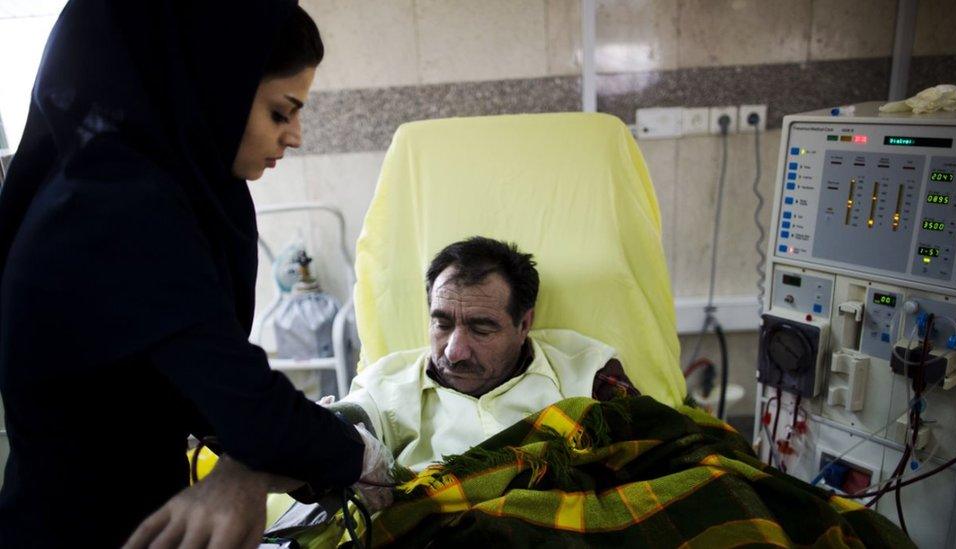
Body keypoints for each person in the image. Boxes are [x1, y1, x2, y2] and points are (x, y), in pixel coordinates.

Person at [0, 2, 389, 547]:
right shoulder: (116, 210)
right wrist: (357, 453)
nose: (295, 135)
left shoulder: (134, 191)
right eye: (281, 112)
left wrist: (247, 466)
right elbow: (253, 412)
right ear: (213, 89)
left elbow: (214, 398)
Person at [335, 237, 638, 471]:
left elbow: (652, 451)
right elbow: (339, 428)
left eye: (481, 329)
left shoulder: (587, 371)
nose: (454, 353)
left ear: (524, 324)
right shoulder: (385, 386)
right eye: (441, 323)